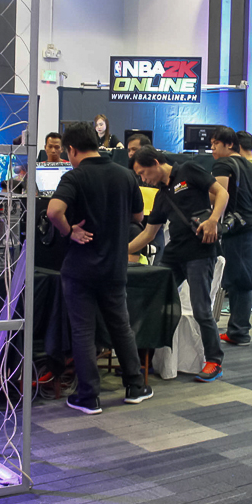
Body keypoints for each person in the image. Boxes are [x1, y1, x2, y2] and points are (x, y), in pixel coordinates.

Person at [46, 122, 151, 414]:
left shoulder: (74, 176)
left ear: (71, 149)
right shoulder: (125, 175)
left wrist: (70, 231)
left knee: (83, 330)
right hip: (114, 265)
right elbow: (138, 216)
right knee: (121, 326)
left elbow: (53, 211)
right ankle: (135, 386)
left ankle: (88, 396)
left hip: (80, 268)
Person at [129, 146, 229, 382]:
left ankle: (214, 361)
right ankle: (146, 359)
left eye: (143, 173)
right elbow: (148, 234)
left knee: (201, 309)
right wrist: (121, 251)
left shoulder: (188, 170)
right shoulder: (161, 196)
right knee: (154, 301)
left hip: (200, 250)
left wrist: (213, 220)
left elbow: (222, 192)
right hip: (174, 254)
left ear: (155, 163)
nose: (143, 179)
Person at [210, 127, 252, 347]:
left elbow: (219, 197)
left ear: (229, 144)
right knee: (243, 279)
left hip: (237, 231)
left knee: (239, 281)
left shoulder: (223, 165)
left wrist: (212, 218)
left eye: (215, 144)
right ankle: (237, 330)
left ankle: (240, 332)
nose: (212, 148)